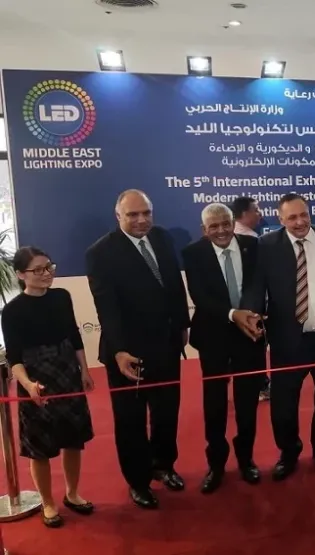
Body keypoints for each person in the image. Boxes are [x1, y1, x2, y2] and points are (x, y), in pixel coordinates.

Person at [85, 189, 190, 509]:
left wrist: (182, 325)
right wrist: (119, 351)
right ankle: (138, 480)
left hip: (167, 345)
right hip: (128, 354)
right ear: (118, 216)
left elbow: (174, 286)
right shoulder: (101, 252)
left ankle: (164, 465)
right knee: (130, 420)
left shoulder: (162, 238)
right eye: (133, 215)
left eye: (146, 213)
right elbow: (107, 307)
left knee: (166, 412)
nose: (142, 220)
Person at [241, 193, 315, 481]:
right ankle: (289, 453)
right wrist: (251, 312)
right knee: (284, 406)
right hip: (287, 341)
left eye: (304, 215)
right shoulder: (266, 245)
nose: (300, 222)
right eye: (292, 217)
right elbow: (255, 287)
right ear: (280, 219)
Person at [0, 247, 94, 528]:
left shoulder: (62, 297)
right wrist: (28, 384)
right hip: (36, 378)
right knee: (39, 446)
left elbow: (74, 336)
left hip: (67, 371)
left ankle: (72, 493)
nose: (46, 273)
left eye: (49, 267)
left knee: (73, 439)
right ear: (20, 274)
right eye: (38, 270)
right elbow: (14, 357)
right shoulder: (12, 311)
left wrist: (84, 370)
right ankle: (48, 502)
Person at [182, 203, 265, 493]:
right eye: (213, 226)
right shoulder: (193, 253)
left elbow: (258, 285)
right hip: (213, 336)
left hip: (249, 335)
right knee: (215, 404)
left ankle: (246, 459)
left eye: (225, 224)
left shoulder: (252, 246)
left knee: (247, 402)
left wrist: (250, 314)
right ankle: (216, 464)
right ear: (204, 230)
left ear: (233, 223)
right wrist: (233, 314)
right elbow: (200, 296)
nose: (221, 230)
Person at [230, 196, 270, 401]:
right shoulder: (251, 241)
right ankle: (259, 386)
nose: (260, 214)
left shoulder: (251, 238)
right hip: (249, 310)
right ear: (244, 214)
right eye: (256, 209)